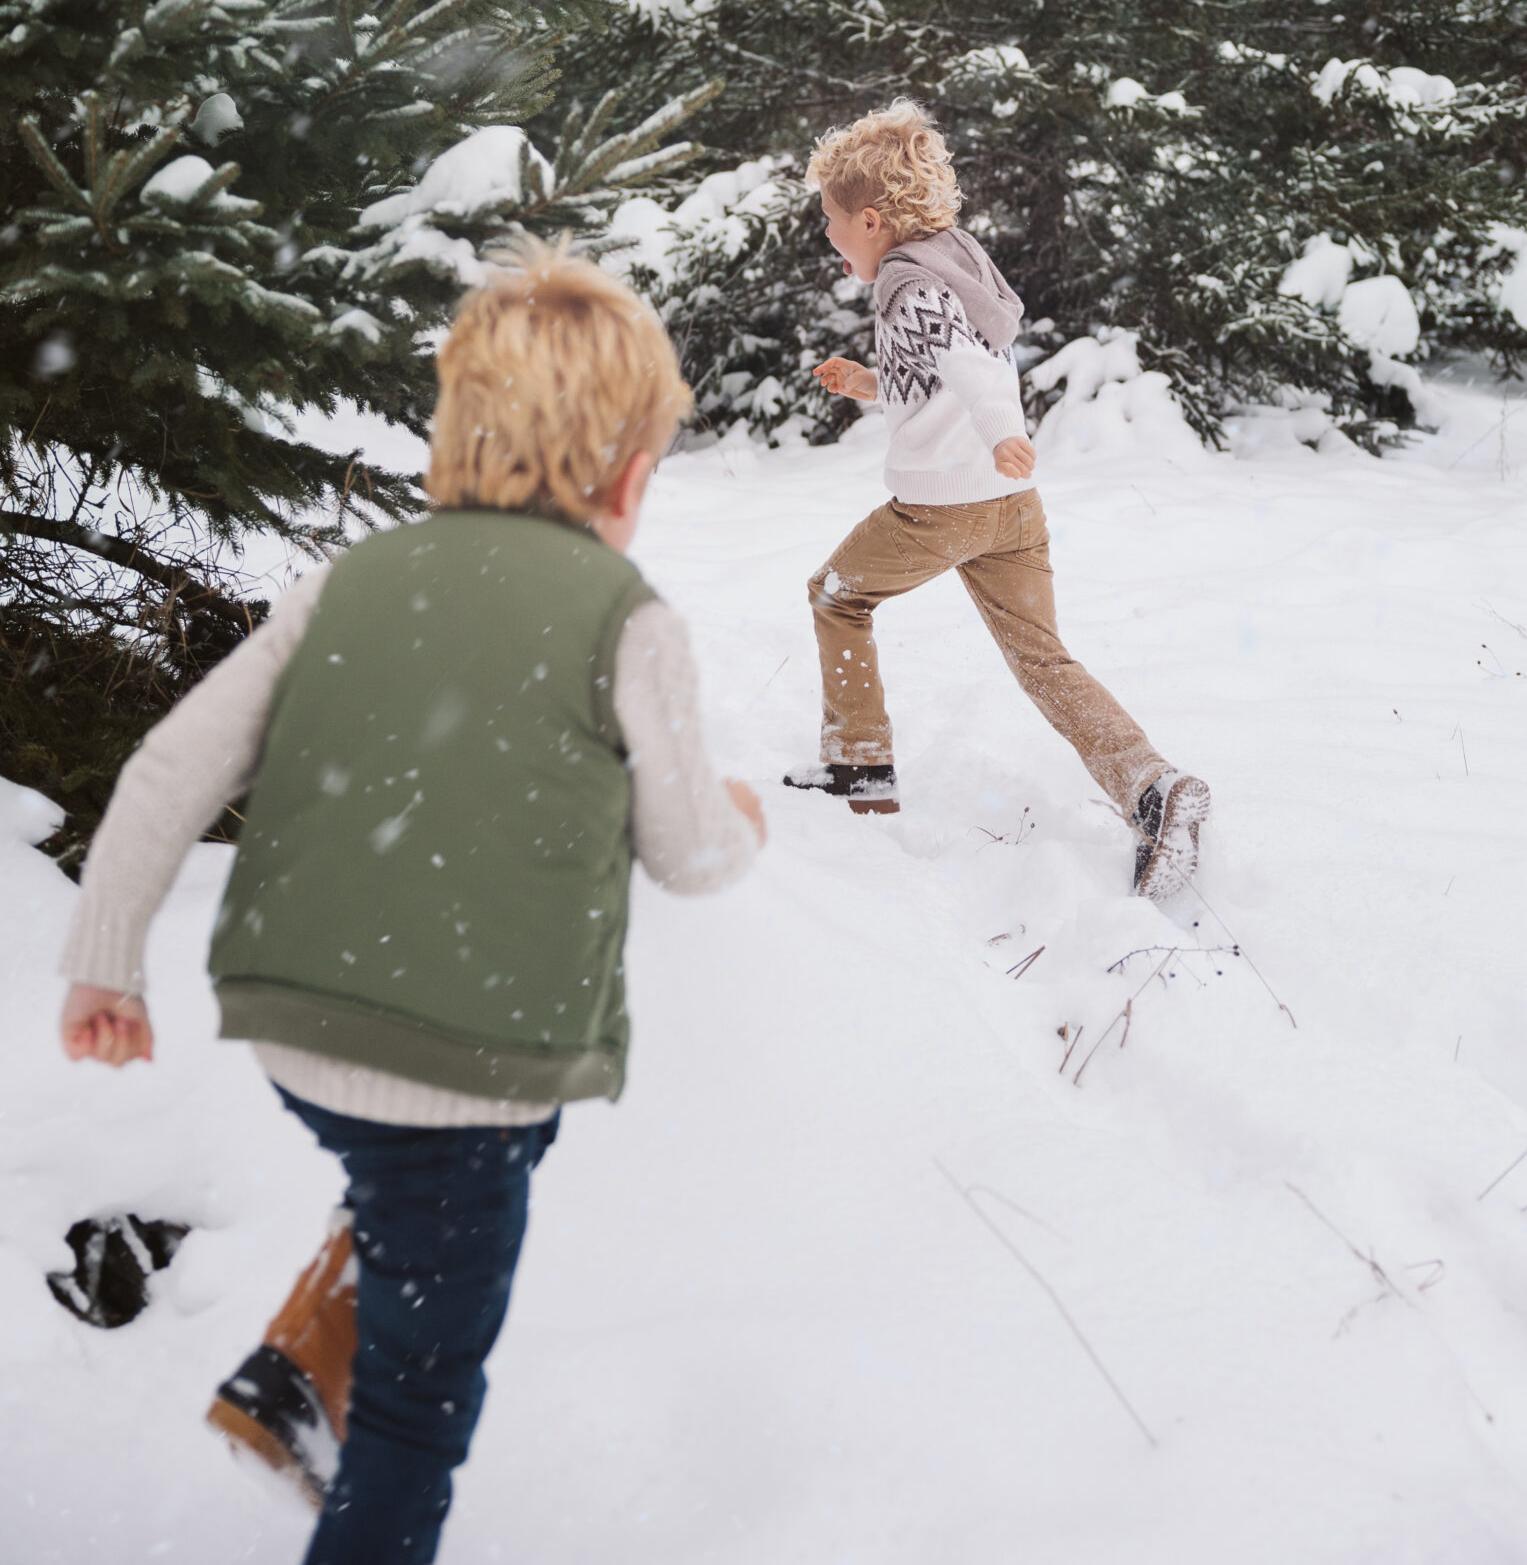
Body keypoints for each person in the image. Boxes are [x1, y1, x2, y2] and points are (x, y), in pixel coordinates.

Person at [58, 247, 764, 1563]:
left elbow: (171, 765)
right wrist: (745, 815)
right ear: (626, 477)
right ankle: (348, 1435)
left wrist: (106, 966)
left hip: (294, 1034)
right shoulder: (627, 617)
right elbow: (688, 855)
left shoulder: (352, 580)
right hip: (466, 1072)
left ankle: (292, 1372)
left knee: (426, 1180)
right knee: (417, 1413)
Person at [786, 100, 1208, 894]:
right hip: (1011, 509)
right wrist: (872, 385)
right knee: (1042, 657)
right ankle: (1152, 789)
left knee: (835, 597)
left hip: (942, 510)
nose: (829, 235)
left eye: (831, 220)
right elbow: (938, 375)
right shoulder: (952, 259)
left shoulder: (908, 285)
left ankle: (858, 773)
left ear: (870, 219)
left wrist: (1000, 430)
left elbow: (973, 375)